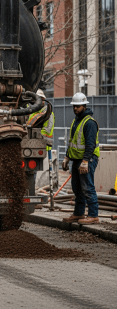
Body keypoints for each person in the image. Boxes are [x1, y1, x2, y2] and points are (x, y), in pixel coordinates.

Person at [62, 92, 100, 225]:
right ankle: (78, 213)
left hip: (87, 159)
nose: (75, 109)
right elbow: (72, 141)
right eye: (74, 106)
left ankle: (93, 215)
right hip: (77, 159)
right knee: (77, 188)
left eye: (78, 106)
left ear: (84, 106)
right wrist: (67, 157)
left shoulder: (89, 123)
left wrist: (85, 161)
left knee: (87, 187)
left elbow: (90, 144)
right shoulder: (76, 121)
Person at [27, 89, 55, 182]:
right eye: (39, 99)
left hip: (40, 145)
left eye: (42, 99)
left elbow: (46, 131)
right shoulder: (33, 112)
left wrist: (31, 137)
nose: (41, 102)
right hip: (30, 144)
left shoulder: (47, 113)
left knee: (32, 171)